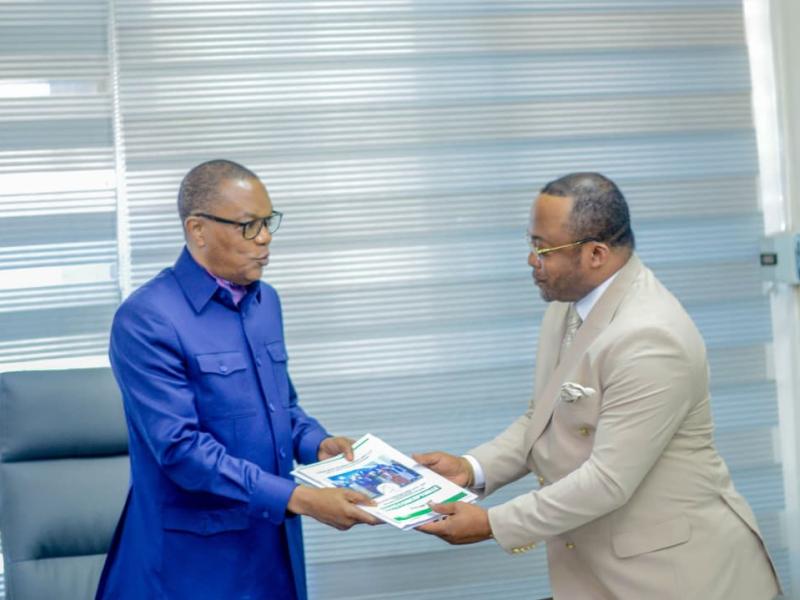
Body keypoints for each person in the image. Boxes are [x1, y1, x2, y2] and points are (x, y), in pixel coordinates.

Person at [414, 173, 781, 599]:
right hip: (595, 574)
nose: (531, 260)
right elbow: (545, 418)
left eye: (542, 248)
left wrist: (494, 524)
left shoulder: (650, 337)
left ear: (595, 254)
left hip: (674, 577)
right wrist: (471, 468)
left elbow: (608, 480)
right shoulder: (569, 305)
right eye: (530, 243)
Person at [96, 159, 378, 600]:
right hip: (190, 565)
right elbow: (181, 450)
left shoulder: (266, 302)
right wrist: (299, 498)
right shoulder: (147, 319)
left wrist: (318, 444)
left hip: (271, 552)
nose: (264, 238)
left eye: (268, 223)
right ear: (198, 229)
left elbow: (281, 408)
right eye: (248, 225)